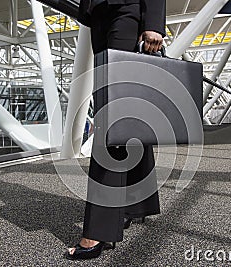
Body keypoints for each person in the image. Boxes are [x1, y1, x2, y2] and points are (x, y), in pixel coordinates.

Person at [66, 0, 166, 260]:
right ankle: (135, 202)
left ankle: (98, 231)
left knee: (111, 115)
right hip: (98, 13)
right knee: (123, 113)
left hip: (125, 8)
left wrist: (153, 22)